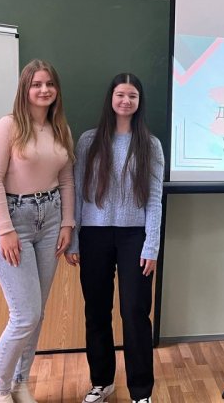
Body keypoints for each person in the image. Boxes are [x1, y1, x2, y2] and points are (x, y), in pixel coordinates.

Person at [66, 73, 164, 403]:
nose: (126, 101)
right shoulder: (88, 141)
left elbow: (154, 198)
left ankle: (141, 392)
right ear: (111, 98)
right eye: (121, 94)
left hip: (135, 237)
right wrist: (75, 237)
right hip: (94, 235)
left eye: (132, 95)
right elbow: (77, 191)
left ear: (139, 102)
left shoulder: (150, 145)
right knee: (96, 311)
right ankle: (102, 382)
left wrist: (152, 244)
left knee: (135, 313)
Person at [0, 59, 75, 403]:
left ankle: (20, 384)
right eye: (36, 84)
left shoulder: (60, 128)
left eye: (49, 84)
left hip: (50, 219)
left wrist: (67, 222)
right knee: (25, 315)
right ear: (25, 89)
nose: (44, 90)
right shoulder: (8, 126)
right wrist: (5, 230)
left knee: (37, 314)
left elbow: (67, 180)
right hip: (14, 221)